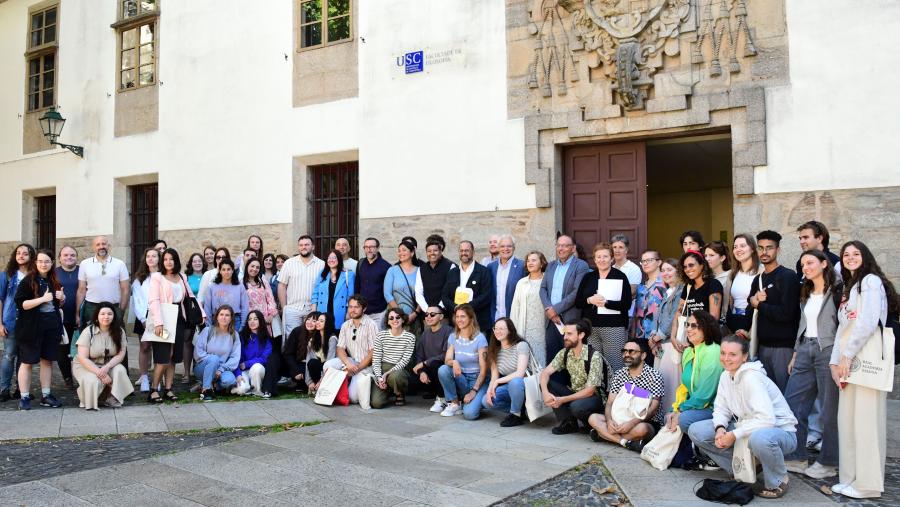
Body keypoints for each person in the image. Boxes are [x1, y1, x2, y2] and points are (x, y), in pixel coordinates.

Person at [688, 335, 798, 499]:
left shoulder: (751, 378)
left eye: (733, 354)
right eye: (723, 353)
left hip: (779, 432)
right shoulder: (726, 375)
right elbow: (721, 408)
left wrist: (733, 435)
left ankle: (778, 480)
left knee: (760, 439)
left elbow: (767, 420)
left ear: (744, 356)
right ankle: (744, 467)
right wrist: (720, 428)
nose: (726, 358)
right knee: (697, 431)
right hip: (748, 427)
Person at [829, 241, 898, 499]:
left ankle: (867, 484)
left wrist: (846, 356)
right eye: (846, 254)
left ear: (865, 256)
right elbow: (842, 328)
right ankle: (850, 477)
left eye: (855, 253)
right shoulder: (850, 287)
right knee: (848, 422)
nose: (850, 257)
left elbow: (868, 322)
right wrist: (834, 362)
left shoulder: (870, 281)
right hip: (848, 359)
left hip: (864, 357)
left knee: (866, 422)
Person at [782, 249, 840, 480]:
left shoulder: (837, 291)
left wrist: (840, 356)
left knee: (829, 410)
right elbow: (803, 324)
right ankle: (796, 456)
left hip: (828, 350)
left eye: (810, 263)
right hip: (805, 348)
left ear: (824, 264)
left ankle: (829, 462)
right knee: (793, 404)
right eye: (803, 264)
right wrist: (796, 352)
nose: (805, 268)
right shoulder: (806, 291)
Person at [666, 310, 723, 470]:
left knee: (683, 419)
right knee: (669, 417)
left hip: (714, 408)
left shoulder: (713, 351)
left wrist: (681, 410)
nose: (688, 329)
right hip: (696, 405)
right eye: (687, 325)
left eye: (694, 326)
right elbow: (685, 387)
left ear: (706, 327)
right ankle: (688, 455)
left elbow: (705, 394)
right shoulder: (689, 351)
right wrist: (675, 408)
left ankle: (711, 456)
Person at [588, 339, 664, 451]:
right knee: (593, 418)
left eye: (632, 351)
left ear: (643, 355)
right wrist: (609, 421)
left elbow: (653, 409)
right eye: (624, 351)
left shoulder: (655, 376)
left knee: (642, 429)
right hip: (619, 418)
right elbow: (609, 403)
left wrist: (632, 423)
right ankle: (625, 442)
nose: (627, 354)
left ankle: (603, 435)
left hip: (643, 421)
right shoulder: (619, 374)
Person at [14, 249, 65, 410]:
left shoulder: (53, 280)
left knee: (47, 361)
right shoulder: (28, 280)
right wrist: (42, 299)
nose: (44, 264)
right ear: (35, 263)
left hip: (51, 326)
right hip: (31, 328)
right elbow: (22, 304)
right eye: (40, 261)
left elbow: (55, 305)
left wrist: (61, 299)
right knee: (27, 362)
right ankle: (24, 397)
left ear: (52, 263)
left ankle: (46, 395)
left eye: (47, 261)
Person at [749, 230, 799, 392]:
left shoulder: (787, 276)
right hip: (762, 347)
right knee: (768, 396)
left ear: (778, 250)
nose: (764, 252)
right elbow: (751, 304)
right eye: (761, 248)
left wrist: (759, 305)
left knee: (785, 395)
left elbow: (787, 313)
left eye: (769, 248)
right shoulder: (758, 279)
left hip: (783, 348)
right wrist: (753, 301)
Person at [146, 248, 198, 403]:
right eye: (165, 259)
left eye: (171, 259)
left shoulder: (181, 277)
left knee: (174, 357)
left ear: (176, 261)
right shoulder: (157, 277)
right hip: (163, 318)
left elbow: (191, 297)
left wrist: (201, 314)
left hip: (178, 319)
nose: (168, 262)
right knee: (163, 356)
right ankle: (154, 390)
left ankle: (168, 389)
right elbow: (153, 300)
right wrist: (158, 323)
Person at [539, 319, 605, 434]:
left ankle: (592, 424)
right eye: (565, 333)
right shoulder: (565, 352)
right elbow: (545, 373)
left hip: (595, 397)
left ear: (581, 335)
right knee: (547, 383)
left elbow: (590, 391)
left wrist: (562, 399)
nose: (565, 337)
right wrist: (545, 393)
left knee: (576, 406)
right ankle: (569, 422)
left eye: (569, 334)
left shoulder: (594, 356)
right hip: (575, 393)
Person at [576, 243, 632, 375]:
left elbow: (627, 304)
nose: (602, 260)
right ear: (595, 260)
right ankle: (598, 389)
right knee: (594, 366)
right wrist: (590, 300)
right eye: (599, 257)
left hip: (614, 327)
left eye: (605, 256)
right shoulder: (588, 277)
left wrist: (607, 303)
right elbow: (578, 302)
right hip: (591, 328)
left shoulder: (620, 276)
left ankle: (617, 389)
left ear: (612, 258)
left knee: (615, 365)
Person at [539, 234, 590, 370]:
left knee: (570, 357)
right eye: (559, 245)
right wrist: (549, 309)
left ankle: (570, 384)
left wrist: (555, 310)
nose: (561, 249)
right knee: (553, 356)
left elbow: (576, 292)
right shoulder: (551, 265)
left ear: (573, 248)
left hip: (570, 319)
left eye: (565, 246)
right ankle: (553, 383)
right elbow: (543, 289)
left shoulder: (581, 266)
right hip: (551, 320)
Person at [73, 302, 133, 410]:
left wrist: (107, 367)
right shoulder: (88, 331)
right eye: (103, 314)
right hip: (86, 365)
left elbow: (121, 354)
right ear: (97, 316)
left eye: (109, 314)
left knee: (120, 370)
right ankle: (92, 399)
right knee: (93, 380)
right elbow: (82, 358)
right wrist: (102, 374)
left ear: (114, 316)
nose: (106, 317)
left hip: (108, 363)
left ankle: (112, 397)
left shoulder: (120, 332)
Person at [322, 295, 378, 404]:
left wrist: (356, 369)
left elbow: (373, 352)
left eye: (356, 307)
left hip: (366, 365)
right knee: (327, 365)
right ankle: (335, 390)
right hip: (352, 362)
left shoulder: (371, 325)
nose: (353, 310)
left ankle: (366, 383)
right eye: (350, 307)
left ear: (364, 309)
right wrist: (348, 364)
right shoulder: (345, 325)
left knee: (353, 398)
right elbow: (340, 348)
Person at [437, 304, 489, 419]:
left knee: (470, 414)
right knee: (443, 370)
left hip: (477, 381)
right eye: (457, 316)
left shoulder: (480, 338)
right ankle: (455, 403)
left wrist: (473, 391)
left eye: (463, 316)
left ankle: (477, 401)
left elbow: (484, 371)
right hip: (461, 378)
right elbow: (447, 360)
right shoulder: (453, 337)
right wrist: (454, 362)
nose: (459, 319)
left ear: (471, 318)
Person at [647, 258, 683, 412]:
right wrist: (653, 336)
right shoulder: (667, 292)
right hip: (661, 343)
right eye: (663, 270)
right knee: (660, 381)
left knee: (670, 383)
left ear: (678, 271)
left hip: (670, 342)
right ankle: (659, 416)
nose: (665, 273)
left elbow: (674, 317)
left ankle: (670, 416)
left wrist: (657, 337)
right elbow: (658, 317)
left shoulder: (680, 291)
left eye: (669, 270)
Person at [0, 243, 35, 401]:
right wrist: (0, 323)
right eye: (18, 253)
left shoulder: (35, 275)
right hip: (11, 321)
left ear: (31, 256)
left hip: (28, 322)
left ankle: (21, 389)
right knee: (9, 355)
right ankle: (4, 390)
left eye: (25, 253)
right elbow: (0, 300)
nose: (21, 256)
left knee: (24, 357)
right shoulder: (7, 275)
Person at [482, 317, 530, 427]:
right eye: (495, 328)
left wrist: (498, 381)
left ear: (510, 330)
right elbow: (494, 377)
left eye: (501, 329)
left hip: (525, 386)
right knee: (486, 401)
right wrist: (489, 391)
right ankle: (520, 410)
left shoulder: (521, 345)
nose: (497, 331)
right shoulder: (494, 350)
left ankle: (515, 415)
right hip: (510, 387)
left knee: (515, 382)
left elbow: (520, 373)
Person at [75, 235, 129, 329]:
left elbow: (125, 290)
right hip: (91, 308)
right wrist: (77, 313)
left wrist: (121, 311)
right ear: (93, 247)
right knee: (91, 336)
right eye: (98, 244)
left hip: (113, 307)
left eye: (104, 244)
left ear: (109, 246)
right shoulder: (85, 264)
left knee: (115, 336)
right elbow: (81, 290)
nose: (101, 246)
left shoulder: (120, 264)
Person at [670, 250, 723, 342]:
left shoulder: (713, 284)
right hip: (691, 337)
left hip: (708, 339)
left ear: (702, 265)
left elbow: (714, 317)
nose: (687, 269)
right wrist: (673, 336)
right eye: (685, 267)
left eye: (691, 265)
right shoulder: (688, 287)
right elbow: (678, 314)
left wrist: (697, 338)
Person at [442, 241, 493, 334]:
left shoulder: (483, 271)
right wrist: (455, 307)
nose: (463, 253)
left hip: (477, 322)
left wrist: (467, 307)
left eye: (466, 250)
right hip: (457, 323)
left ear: (473, 252)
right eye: (461, 251)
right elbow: (445, 295)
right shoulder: (452, 272)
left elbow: (486, 295)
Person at [278, 235, 325, 337]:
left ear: (313, 246)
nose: (304, 247)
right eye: (301, 245)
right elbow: (282, 285)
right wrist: (284, 307)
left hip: (312, 309)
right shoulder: (289, 263)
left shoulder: (321, 264)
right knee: (292, 338)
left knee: (311, 338)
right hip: (292, 309)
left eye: (307, 245)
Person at [193, 305, 241, 402]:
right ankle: (206, 390)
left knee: (230, 381)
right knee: (214, 359)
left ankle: (213, 385)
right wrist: (213, 364)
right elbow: (198, 353)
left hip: (222, 370)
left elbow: (235, 357)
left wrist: (220, 369)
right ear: (217, 317)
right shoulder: (208, 331)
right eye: (221, 314)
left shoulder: (234, 335)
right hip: (203, 367)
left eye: (227, 315)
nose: (224, 317)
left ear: (231, 318)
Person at [370, 308, 416, 408]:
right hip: (382, 368)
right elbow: (376, 360)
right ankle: (389, 389)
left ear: (403, 319)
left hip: (399, 369)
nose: (394, 320)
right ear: (388, 321)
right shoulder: (381, 335)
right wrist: (379, 377)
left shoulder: (410, 337)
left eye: (397, 317)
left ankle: (399, 392)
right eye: (391, 318)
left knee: (396, 377)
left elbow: (404, 361)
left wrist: (387, 373)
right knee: (376, 404)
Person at [510, 251, 549, 367]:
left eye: (534, 260)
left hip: (543, 328)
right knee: (525, 361)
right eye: (528, 261)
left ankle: (541, 378)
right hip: (524, 328)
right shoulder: (522, 283)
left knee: (542, 359)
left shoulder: (548, 280)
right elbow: (515, 308)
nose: (530, 263)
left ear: (542, 263)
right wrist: (513, 331)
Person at [282, 311, 334, 393]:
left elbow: (329, 363)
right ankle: (310, 386)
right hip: (302, 365)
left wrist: (321, 380)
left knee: (313, 364)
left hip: (323, 368)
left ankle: (317, 386)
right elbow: (289, 354)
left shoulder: (327, 338)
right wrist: (297, 371)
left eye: (314, 320)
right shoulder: (300, 333)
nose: (310, 322)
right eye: (308, 319)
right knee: (307, 366)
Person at [131, 247, 160, 393]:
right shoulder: (140, 278)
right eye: (148, 256)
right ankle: (144, 377)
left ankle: (157, 378)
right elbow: (137, 300)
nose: (151, 258)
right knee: (145, 346)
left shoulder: (164, 276)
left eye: (154, 256)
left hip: (160, 314)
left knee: (159, 347)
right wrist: (143, 318)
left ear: (159, 259)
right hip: (144, 315)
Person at [631, 250, 665, 366]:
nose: (645, 263)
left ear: (659, 262)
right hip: (641, 336)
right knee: (644, 369)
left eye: (649, 260)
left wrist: (660, 335)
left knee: (660, 368)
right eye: (643, 261)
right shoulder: (641, 286)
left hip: (659, 337)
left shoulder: (665, 283)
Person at [412, 306, 451, 408]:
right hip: (429, 371)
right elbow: (419, 355)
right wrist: (422, 372)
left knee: (436, 365)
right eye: (426, 314)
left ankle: (442, 399)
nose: (428, 317)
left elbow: (446, 355)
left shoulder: (448, 331)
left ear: (441, 317)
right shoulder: (425, 334)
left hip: (445, 369)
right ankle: (435, 393)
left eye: (432, 314)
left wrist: (425, 363)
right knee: (413, 374)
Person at [725, 234, 760, 334]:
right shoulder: (732, 274)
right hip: (734, 322)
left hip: (753, 323)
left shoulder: (761, 272)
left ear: (752, 249)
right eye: (735, 247)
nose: (738, 249)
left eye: (742, 246)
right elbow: (729, 303)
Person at [312, 249, 355, 332]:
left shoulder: (348, 274)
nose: (331, 260)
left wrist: (348, 313)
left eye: (334, 258)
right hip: (323, 310)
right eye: (329, 258)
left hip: (340, 312)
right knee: (323, 334)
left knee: (338, 334)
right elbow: (315, 293)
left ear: (339, 259)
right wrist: (314, 311)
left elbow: (350, 296)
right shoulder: (322, 274)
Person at [385, 239, 422, 333]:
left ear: (412, 253)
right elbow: (387, 294)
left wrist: (415, 313)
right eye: (399, 250)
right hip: (395, 317)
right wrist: (400, 314)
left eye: (404, 250)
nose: (401, 253)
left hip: (415, 317)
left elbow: (423, 294)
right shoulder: (392, 270)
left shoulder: (420, 271)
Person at [55, 245, 79, 388]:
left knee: (81, 350)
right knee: (62, 350)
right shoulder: (54, 273)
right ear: (60, 258)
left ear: (76, 257)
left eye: (72, 255)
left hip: (80, 316)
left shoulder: (83, 271)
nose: (69, 257)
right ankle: (68, 378)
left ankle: (82, 377)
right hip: (61, 317)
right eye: (65, 255)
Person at [234, 310, 273, 397]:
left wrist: (247, 363)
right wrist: (238, 374)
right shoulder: (241, 337)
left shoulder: (266, 338)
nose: (252, 321)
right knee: (242, 390)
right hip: (243, 370)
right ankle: (245, 387)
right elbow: (236, 358)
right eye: (250, 319)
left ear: (260, 321)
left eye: (255, 319)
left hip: (257, 370)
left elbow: (265, 358)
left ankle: (256, 390)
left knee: (257, 367)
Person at [203, 259, 249, 332]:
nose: (226, 272)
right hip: (217, 320)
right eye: (223, 269)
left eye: (229, 269)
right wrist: (208, 325)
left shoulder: (239, 286)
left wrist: (242, 325)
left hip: (235, 320)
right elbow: (207, 307)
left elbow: (245, 306)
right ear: (220, 271)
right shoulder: (212, 287)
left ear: (232, 270)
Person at [414, 234, 456, 315]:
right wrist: (428, 310)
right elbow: (418, 292)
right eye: (429, 251)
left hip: (445, 313)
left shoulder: (451, 266)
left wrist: (439, 308)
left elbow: (451, 291)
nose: (432, 253)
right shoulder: (421, 269)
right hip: (426, 314)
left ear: (441, 251)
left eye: (435, 250)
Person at [488, 235, 526, 322]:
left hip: (515, 317)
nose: (506, 249)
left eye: (509, 246)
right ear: (498, 248)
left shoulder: (522, 266)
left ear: (514, 248)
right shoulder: (491, 267)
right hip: (495, 317)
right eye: (502, 246)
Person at [356, 237, 391, 329]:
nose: (369, 249)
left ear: (377, 248)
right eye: (366, 247)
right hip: (362, 311)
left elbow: (389, 290)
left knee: (377, 337)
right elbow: (357, 286)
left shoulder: (386, 266)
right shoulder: (360, 264)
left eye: (371, 247)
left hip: (379, 313)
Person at [181, 252, 205, 384]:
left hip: (204, 314)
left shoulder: (207, 276)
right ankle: (186, 372)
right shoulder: (186, 277)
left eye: (199, 261)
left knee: (201, 343)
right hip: (190, 313)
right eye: (194, 261)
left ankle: (198, 371)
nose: (197, 263)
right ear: (191, 263)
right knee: (188, 342)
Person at [243, 258, 278, 335]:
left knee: (264, 340)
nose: (254, 269)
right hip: (249, 320)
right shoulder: (241, 283)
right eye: (252, 266)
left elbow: (270, 298)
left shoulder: (263, 281)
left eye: (257, 267)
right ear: (247, 266)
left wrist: (271, 315)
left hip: (264, 319)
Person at [610, 234, 641, 313]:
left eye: (621, 247)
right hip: (610, 310)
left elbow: (632, 291)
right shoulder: (610, 268)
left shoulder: (633, 268)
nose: (617, 250)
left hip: (627, 312)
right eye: (614, 247)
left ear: (626, 250)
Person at [704, 241, 732, 312]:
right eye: (706, 256)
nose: (707, 259)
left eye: (711, 255)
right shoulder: (705, 277)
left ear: (722, 258)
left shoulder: (730, 276)